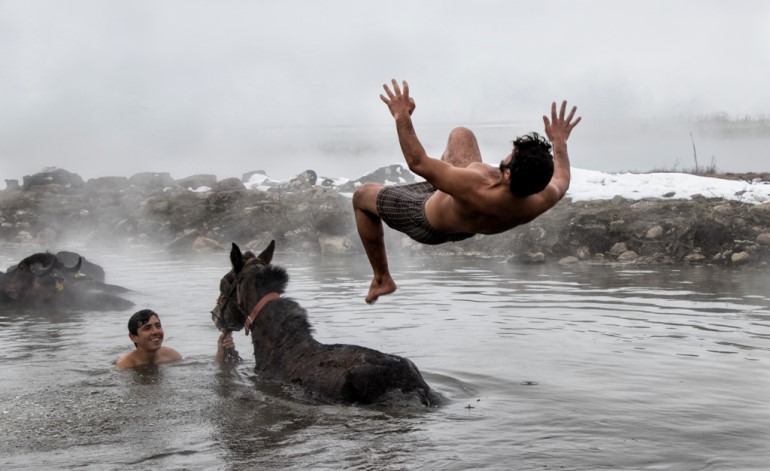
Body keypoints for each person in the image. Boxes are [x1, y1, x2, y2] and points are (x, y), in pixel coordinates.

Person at [352, 79, 581, 303]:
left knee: (361, 196)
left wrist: (401, 115)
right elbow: (562, 178)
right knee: (462, 135)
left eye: (512, 155)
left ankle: (382, 279)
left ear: (509, 174)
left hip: (424, 219)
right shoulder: (540, 198)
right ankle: (440, 176)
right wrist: (559, 142)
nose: (509, 154)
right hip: (464, 218)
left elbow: (417, 162)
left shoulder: (474, 185)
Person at [115, 309, 183, 369]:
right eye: (147, 328)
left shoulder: (172, 356)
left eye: (158, 326)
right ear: (133, 337)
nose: (156, 331)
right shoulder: (125, 366)